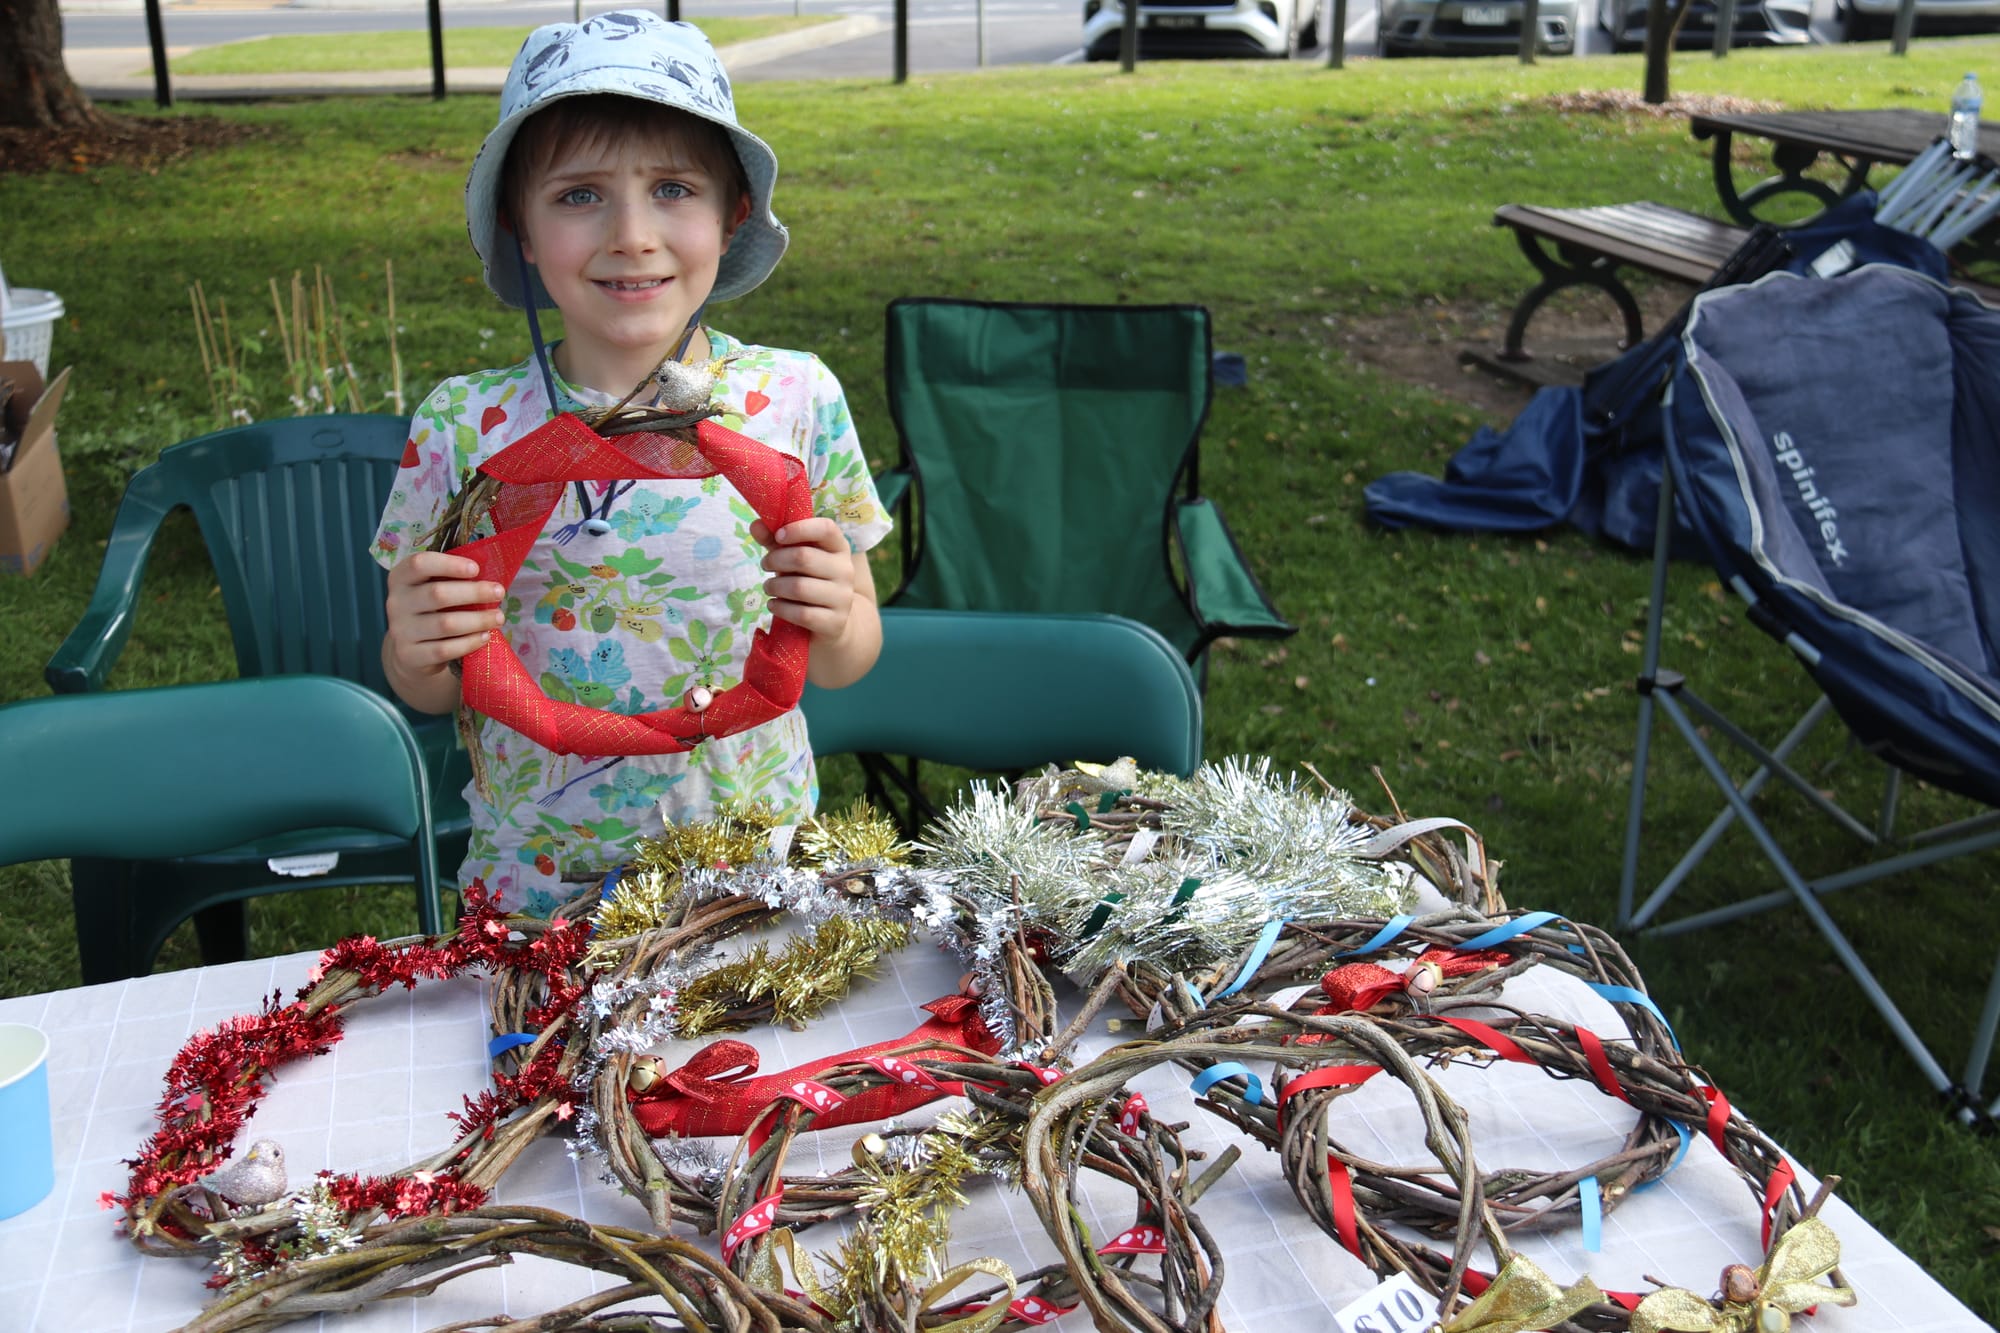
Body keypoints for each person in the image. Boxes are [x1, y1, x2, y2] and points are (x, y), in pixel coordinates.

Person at [371, 10, 888, 917]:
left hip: (752, 869)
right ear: (520, 227)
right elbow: (430, 679)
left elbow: (848, 656)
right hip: (537, 882)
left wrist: (838, 616)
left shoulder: (794, 399)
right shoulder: (466, 424)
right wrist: (414, 649)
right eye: (578, 195)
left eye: (674, 189)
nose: (632, 234)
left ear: (732, 217)